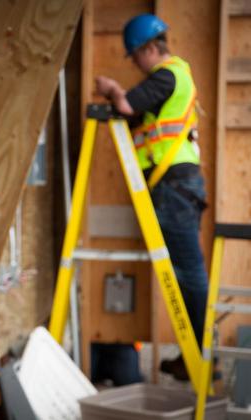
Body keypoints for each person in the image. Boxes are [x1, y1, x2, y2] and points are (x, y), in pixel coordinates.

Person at [95, 14, 209, 381]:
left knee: (188, 272)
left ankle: (198, 355)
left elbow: (127, 106)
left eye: (135, 56)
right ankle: (194, 354)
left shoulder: (168, 74)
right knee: (185, 271)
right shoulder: (172, 80)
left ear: (148, 48)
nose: (136, 65)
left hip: (174, 186)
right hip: (176, 186)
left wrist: (113, 90)